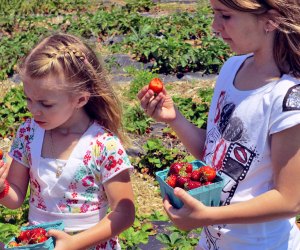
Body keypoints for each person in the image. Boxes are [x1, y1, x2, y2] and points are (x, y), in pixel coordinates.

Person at [138, 0, 300, 249]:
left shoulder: (287, 98)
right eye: (214, 14)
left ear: (271, 20)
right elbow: (216, 156)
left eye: (225, 16)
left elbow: (289, 201)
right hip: (215, 241)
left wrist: (207, 216)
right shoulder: (232, 69)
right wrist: (175, 119)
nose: (215, 26)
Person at [0, 33, 135, 250]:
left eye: (46, 103)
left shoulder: (103, 145)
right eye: (28, 99)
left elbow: (124, 213)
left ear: (80, 99)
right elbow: (15, 198)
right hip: (38, 243)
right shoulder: (28, 134)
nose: (34, 110)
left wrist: (74, 243)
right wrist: (2, 187)